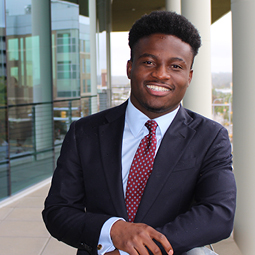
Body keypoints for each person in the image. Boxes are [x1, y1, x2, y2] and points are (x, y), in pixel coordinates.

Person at [42, 11, 236, 255]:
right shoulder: (85, 132)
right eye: (149, 62)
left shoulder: (210, 137)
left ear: (189, 76)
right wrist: (113, 230)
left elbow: (218, 215)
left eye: (175, 66)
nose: (161, 74)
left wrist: (131, 250)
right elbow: (58, 210)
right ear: (130, 68)